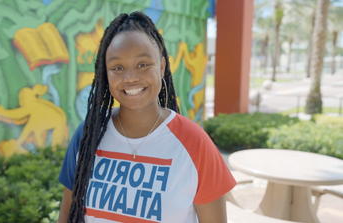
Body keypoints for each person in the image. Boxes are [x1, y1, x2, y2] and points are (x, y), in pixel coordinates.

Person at [58, 11, 236, 223]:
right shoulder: (87, 137)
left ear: (161, 67)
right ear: (106, 74)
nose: (130, 77)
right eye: (117, 68)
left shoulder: (195, 144)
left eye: (143, 64)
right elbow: (67, 217)